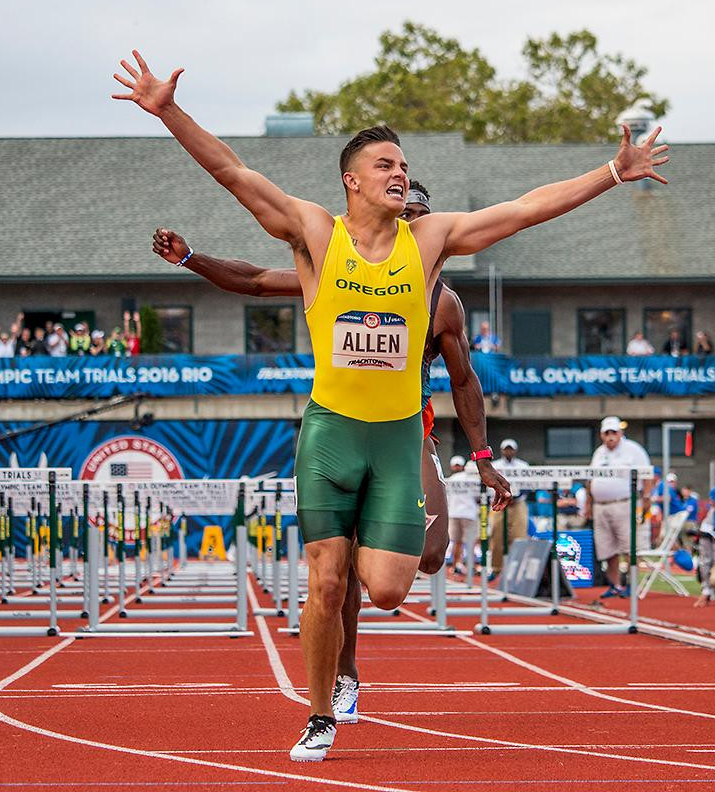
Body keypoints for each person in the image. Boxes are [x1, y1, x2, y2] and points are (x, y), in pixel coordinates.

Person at [115, 47, 668, 761]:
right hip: (330, 434)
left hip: (400, 439)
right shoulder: (316, 232)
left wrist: (610, 173)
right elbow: (234, 173)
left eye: (403, 165)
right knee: (325, 578)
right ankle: (319, 714)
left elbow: (525, 211)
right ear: (352, 181)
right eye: (385, 165)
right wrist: (168, 112)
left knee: (381, 590)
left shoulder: (431, 242)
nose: (399, 173)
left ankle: (351, 650)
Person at [152, 183, 511, 732]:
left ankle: (376, 544)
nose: (407, 228)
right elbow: (255, 281)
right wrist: (192, 258)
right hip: (342, 429)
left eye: (418, 220)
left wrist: (483, 457)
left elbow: (464, 380)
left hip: (408, 431)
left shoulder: (442, 302)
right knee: (334, 570)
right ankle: (345, 671)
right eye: (402, 216)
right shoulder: (342, 273)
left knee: (433, 554)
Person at [585, 416, 653, 598]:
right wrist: (588, 504)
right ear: (601, 435)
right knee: (607, 548)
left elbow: (647, 475)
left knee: (629, 547)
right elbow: (589, 479)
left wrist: (646, 497)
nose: (610, 436)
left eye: (613, 432)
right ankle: (615, 585)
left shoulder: (633, 450)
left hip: (625, 503)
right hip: (601, 506)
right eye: (607, 433)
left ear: (620, 433)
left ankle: (631, 584)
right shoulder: (599, 453)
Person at [489, 438, 530, 579]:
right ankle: (496, 568)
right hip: (499, 503)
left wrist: (515, 498)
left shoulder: (523, 466)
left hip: (518, 503)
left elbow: (528, 486)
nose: (508, 452)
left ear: (515, 450)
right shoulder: (494, 465)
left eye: (510, 449)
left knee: (519, 535)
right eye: (506, 449)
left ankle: (517, 568)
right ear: (501, 450)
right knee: (497, 535)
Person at [445, 455, 479, 576]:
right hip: (466, 514)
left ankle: (459, 566)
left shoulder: (448, 480)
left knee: (458, 542)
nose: (457, 467)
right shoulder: (472, 480)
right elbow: (478, 497)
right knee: (466, 542)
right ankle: (468, 567)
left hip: (456, 514)